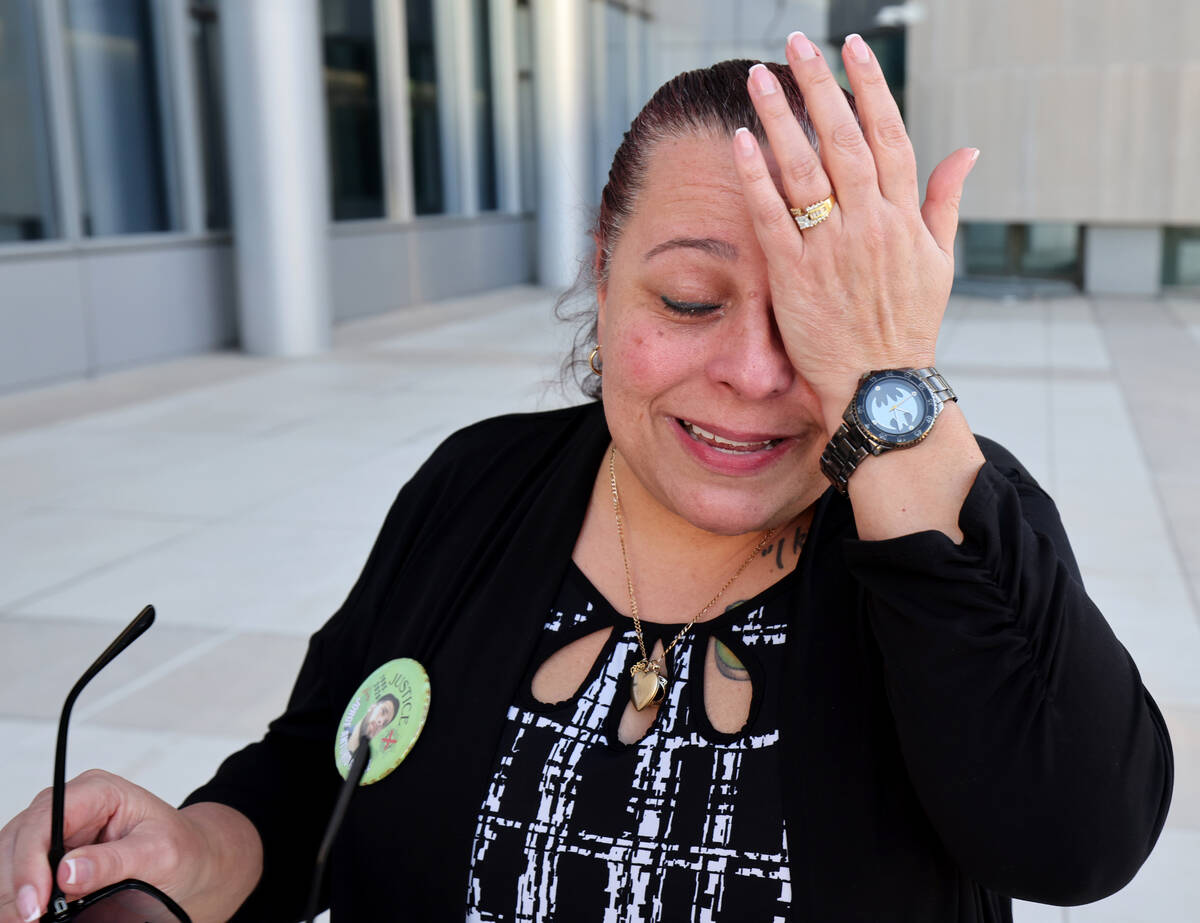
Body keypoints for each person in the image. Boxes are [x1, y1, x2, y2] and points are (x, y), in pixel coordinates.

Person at [0, 33, 1173, 923]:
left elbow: (1077, 836)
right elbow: (324, 761)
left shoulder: (946, 510)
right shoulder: (480, 484)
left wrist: (887, 392)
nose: (758, 373)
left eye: (815, 322)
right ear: (602, 273)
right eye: (691, 301)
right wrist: (193, 851)